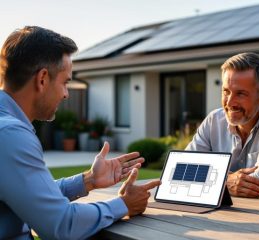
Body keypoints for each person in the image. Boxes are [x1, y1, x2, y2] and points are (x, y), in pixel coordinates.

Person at [0, 26, 161, 239]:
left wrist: (89, 180)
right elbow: (62, 225)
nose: (67, 94)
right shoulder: (11, 135)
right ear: (43, 79)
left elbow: (32, 197)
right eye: (65, 82)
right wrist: (123, 205)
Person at [186, 52, 259, 198]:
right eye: (226, 91)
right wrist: (226, 181)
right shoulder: (214, 120)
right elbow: (183, 169)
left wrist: (209, 175)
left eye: (240, 94)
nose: (229, 102)